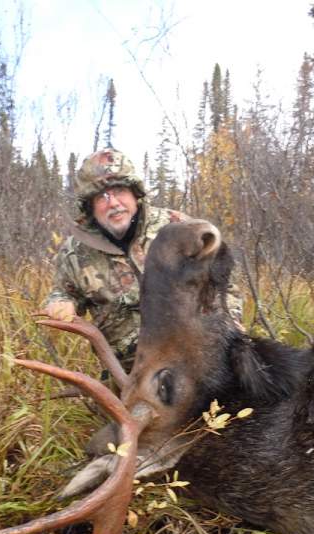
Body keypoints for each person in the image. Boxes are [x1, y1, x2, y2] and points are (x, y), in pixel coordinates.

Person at [44, 148, 243, 373]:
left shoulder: (178, 228)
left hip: (197, 362)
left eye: (119, 190)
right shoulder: (75, 252)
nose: (113, 203)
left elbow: (224, 285)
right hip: (132, 375)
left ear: (135, 194)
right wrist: (61, 302)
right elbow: (63, 292)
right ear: (89, 206)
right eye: (101, 197)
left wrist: (229, 326)